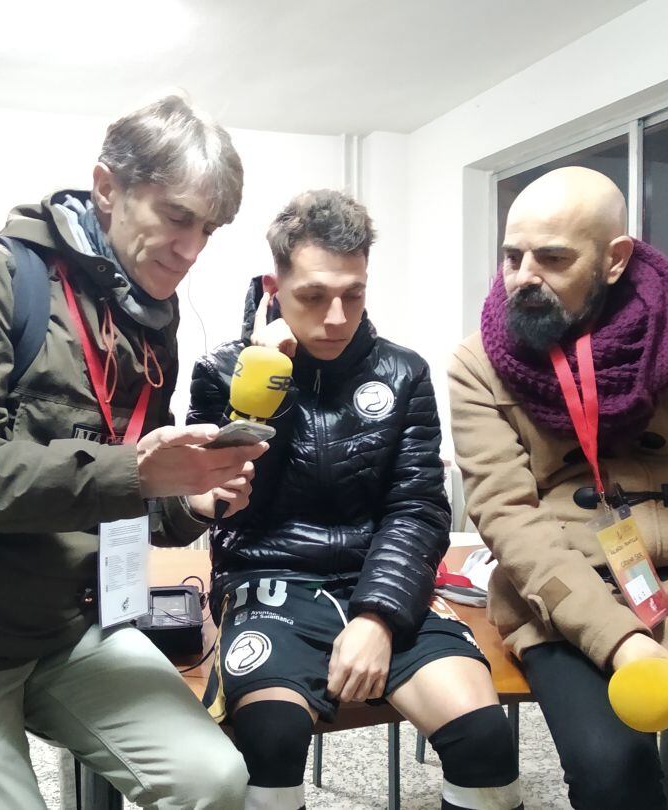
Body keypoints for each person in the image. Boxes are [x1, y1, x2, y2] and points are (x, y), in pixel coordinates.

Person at [0, 95, 267, 810]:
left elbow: (111, 500)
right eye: (175, 217)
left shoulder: (143, 321)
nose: (192, 250)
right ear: (107, 188)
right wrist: (132, 471)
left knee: (215, 779)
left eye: (209, 229)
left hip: (67, 630)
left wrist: (185, 500)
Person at [448, 166, 668, 809]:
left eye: (552, 258)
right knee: (614, 776)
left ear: (615, 259)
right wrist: (621, 642)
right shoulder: (477, 364)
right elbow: (507, 518)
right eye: (512, 255)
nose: (522, 277)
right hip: (571, 604)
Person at [189, 190, 523, 810]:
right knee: (269, 738)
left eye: (354, 293)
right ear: (275, 285)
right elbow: (230, 505)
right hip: (271, 577)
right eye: (314, 296)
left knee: (485, 740)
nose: (337, 317)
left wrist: (377, 616)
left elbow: (420, 508)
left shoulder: (404, 373)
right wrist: (269, 384)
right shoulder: (222, 372)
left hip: (380, 577)